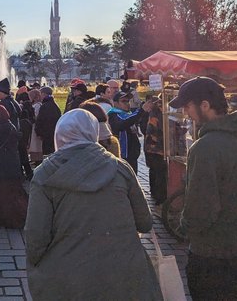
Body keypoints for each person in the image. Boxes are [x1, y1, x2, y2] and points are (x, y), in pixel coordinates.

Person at [25, 109, 161, 301]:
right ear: (93, 133)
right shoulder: (120, 168)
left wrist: (38, 269)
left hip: (69, 278)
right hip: (125, 274)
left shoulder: (45, 174)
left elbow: (36, 237)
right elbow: (145, 223)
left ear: (59, 135)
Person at [168, 77, 237, 299]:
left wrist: (185, 227)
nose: (187, 113)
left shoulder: (205, 147)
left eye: (188, 106)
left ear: (205, 105)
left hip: (218, 257)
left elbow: (201, 208)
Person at [0, 105, 28, 228]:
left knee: (0, 194)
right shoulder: (10, 125)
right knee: (11, 193)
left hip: (1, 165)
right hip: (12, 164)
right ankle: (14, 217)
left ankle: (3, 219)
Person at [108, 91, 153, 173]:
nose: (127, 103)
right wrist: (141, 110)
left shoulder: (128, 114)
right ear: (115, 103)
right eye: (123, 101)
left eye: (128, 101)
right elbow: (124, 123)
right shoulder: (113, 115)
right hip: (123, 156)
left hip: (132, 156)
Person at [144, 97, 167, 206]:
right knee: (159, 172)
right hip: (157, 146)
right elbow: (154, 128)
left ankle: (155, 194)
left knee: (154, 170)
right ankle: (160, 197)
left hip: (152, 146)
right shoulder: (159, 110)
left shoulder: (156, 108)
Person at [35, 87, 61, 156]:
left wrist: (38, 132)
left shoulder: (44, 106)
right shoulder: (55, 105)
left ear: (43, 94)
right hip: (54, 132)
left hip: (46, 134)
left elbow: (40, 120)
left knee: (47, 154)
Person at [27, 89, 44, 165]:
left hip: (35, 127)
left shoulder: (37, 106)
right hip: (33, 127)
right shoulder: (37, 105)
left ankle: (38, 160)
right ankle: (35, 159)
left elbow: (36, 116)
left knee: (36, 145)